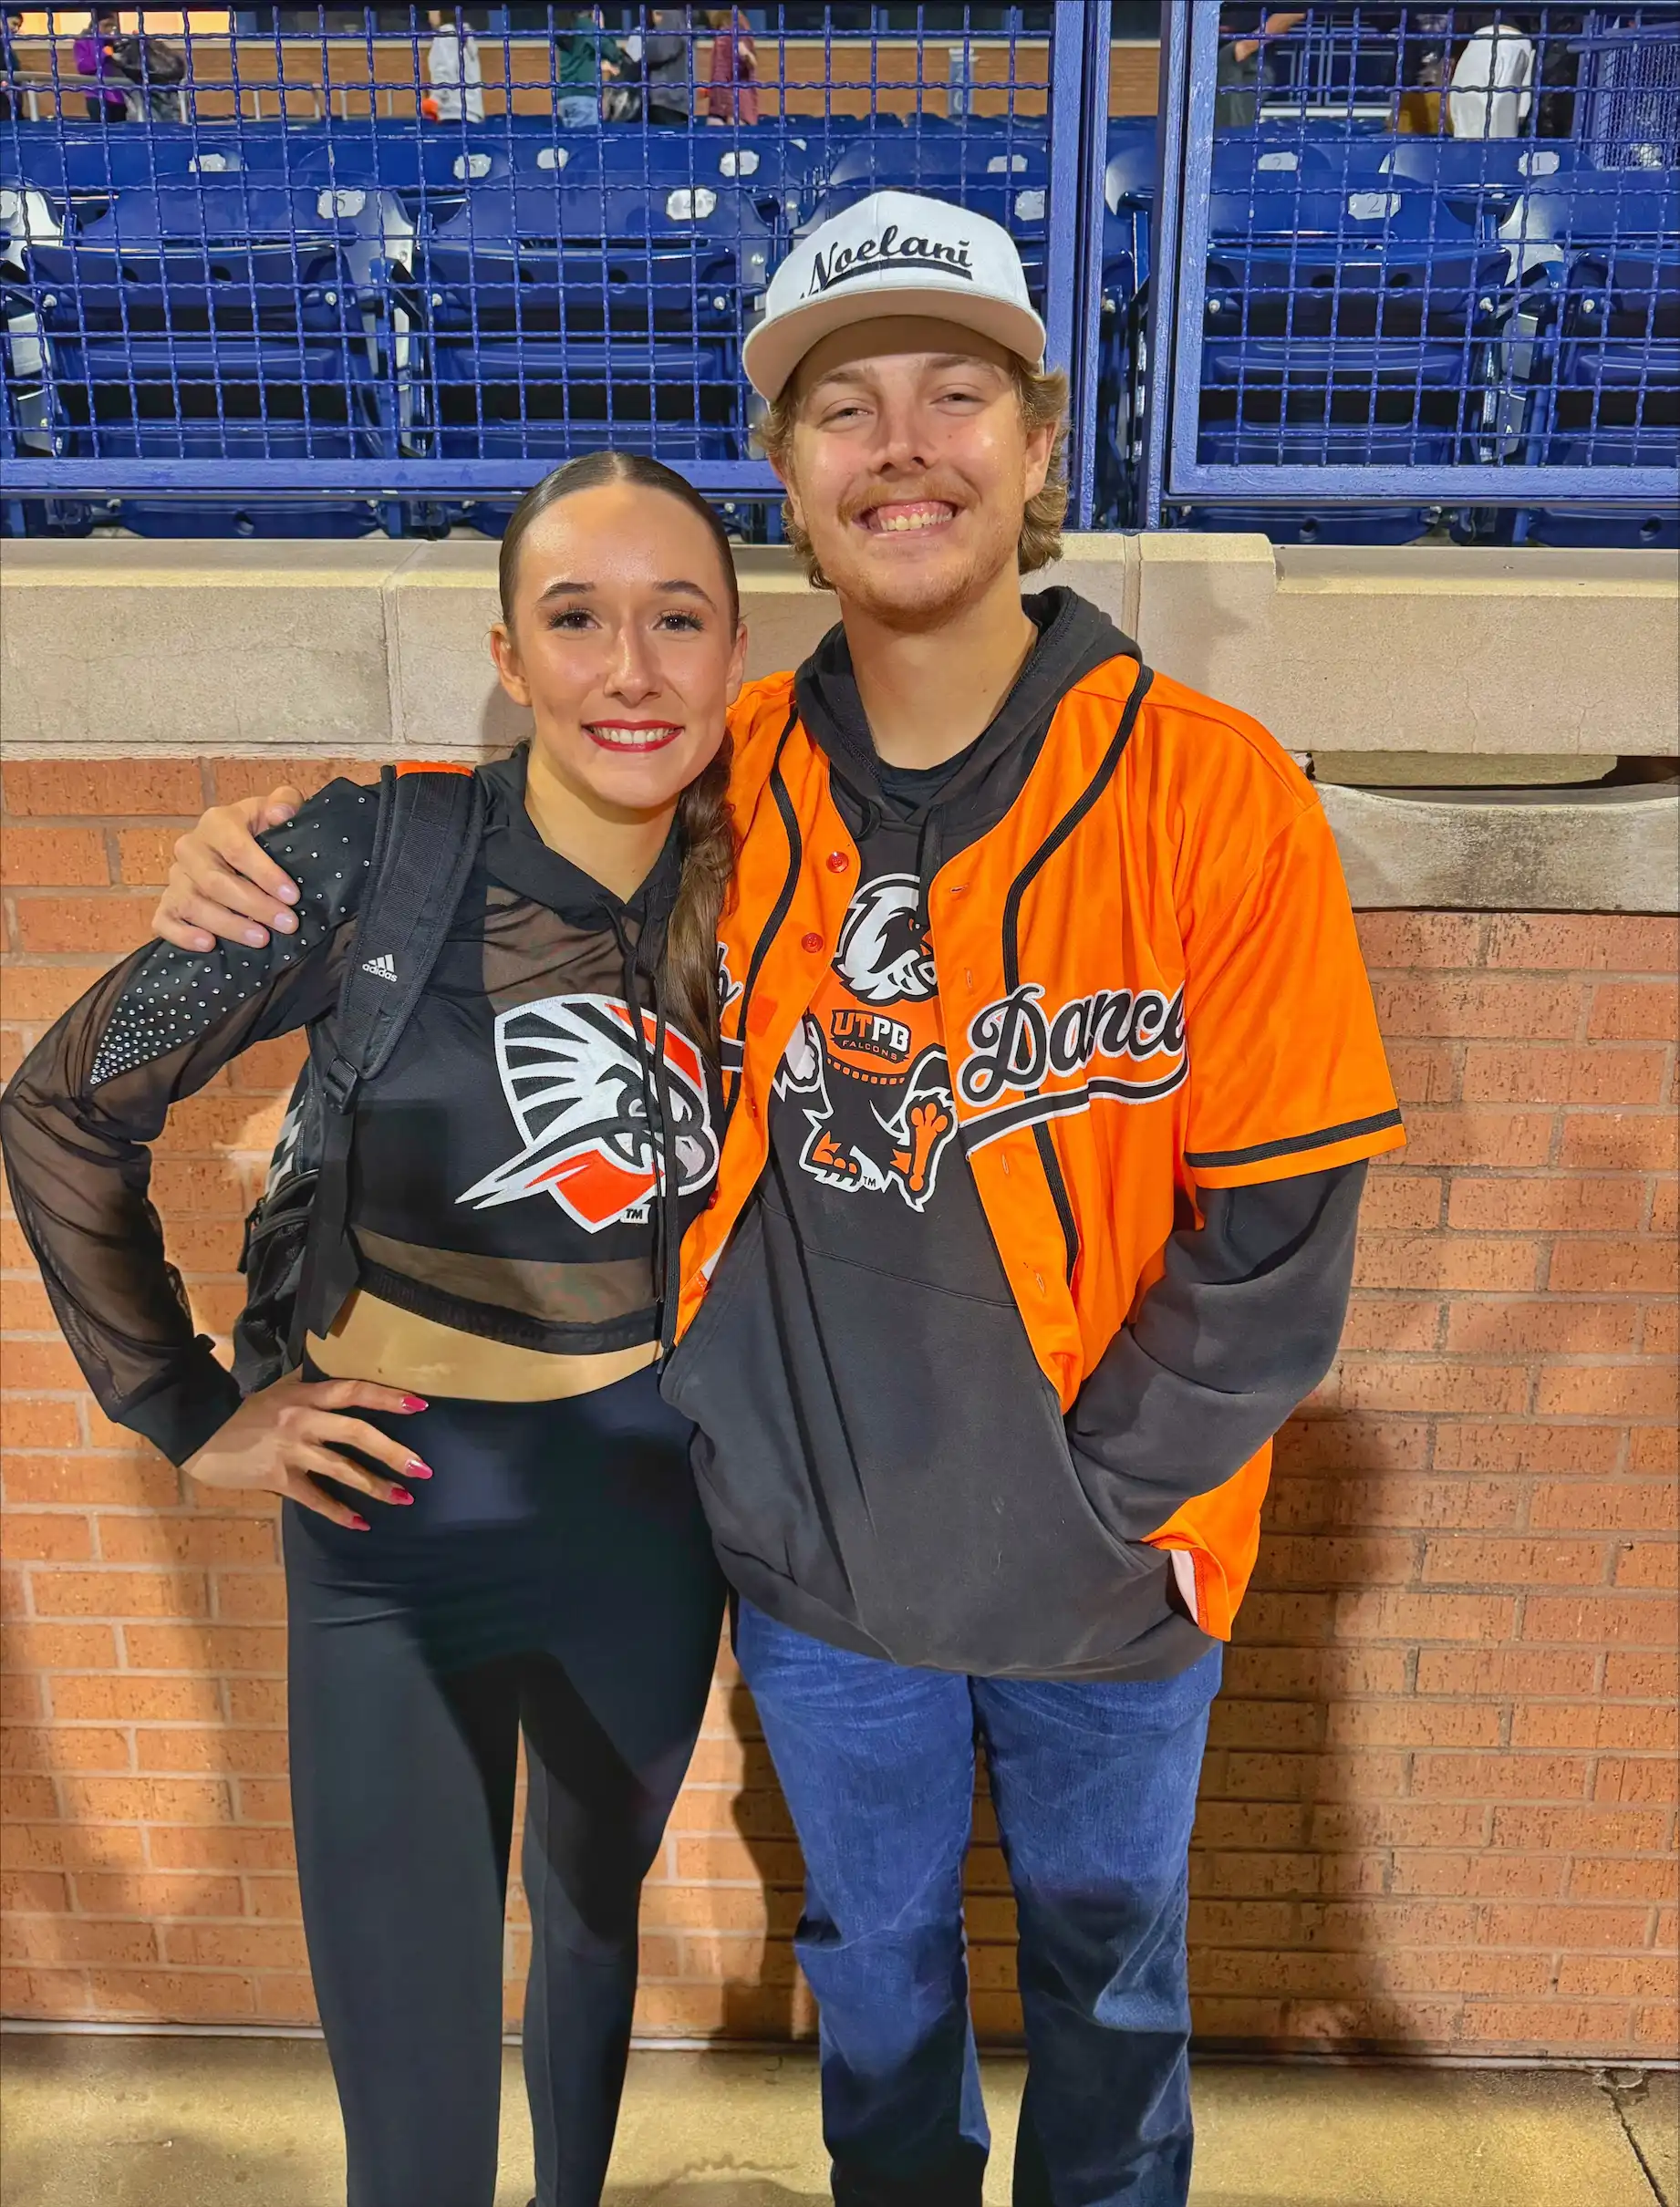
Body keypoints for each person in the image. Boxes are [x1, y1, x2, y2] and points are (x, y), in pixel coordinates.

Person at [150, 194, 1405, 2205]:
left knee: (1112, 2010)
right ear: (791, 484)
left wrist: (1109, 1514)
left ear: (1039, 446)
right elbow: (527, 802)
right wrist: (260, 859)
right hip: (822, 1589)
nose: (904, 442)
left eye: (957, 392)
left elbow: (1276, 1244)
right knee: (880, 2006)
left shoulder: (1214, 788)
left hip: (1113, 1579)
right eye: (845, 407)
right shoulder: (735, 780)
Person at [1, 453, 746, 2207]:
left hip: (654, 1511)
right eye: (575, 618)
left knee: (588, 1930)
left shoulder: (782, 873)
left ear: (731, 659)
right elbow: (58, 1110)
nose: (627, 668)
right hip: (394, 1522)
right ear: (507, 651)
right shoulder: (367, 855)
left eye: (676, 618)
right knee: (412, 2124)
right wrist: (188, 1409)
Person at [1215, 6, 1308, 126]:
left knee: (1227, 130)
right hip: (1204, 52)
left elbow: (1295, 9)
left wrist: (1244, 48)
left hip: (1245, 60)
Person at [424, 7, 484, 125]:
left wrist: (434, 99)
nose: (429, 16)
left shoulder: (445, 34)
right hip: (471, 113)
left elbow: (444, 71)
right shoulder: (464, 35)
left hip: (452, 112)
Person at [703, 5, 758, 127]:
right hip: (719, 104)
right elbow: (721, 67)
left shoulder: (738, 25)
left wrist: (746, 55)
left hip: (736, 105)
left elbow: (752, 62)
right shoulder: (722, 29)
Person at [555, 4, 605, 129]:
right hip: (584, 98)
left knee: (571, 144)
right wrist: (599, 28)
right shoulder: (586, 27)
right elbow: (611, 51)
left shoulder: (565, 28)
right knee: (587, 144)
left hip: (565, 98)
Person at [74, 6, 128, 123]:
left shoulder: (113, 42)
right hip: (96, 95)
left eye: (112, 26)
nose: (109, 30)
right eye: (106, 25)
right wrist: (103, 54)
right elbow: (83, 67)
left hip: (118, 95)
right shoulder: (83, 41)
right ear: (96, 24)